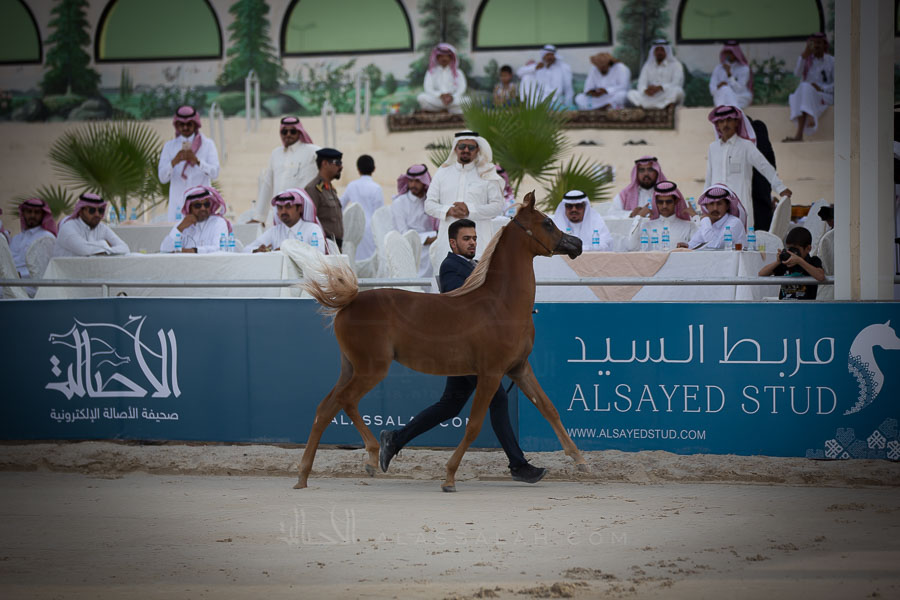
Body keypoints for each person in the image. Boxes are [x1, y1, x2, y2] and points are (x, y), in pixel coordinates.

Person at [378, 219, 548, 484]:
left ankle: (395, 439)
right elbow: (457, 302)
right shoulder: (451, 266)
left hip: (470, 350)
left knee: (450, 405)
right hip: (464, 348)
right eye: (466, 238)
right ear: (453, 243)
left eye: (474, 238)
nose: (472, 243)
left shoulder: (476, 265)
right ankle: (518, 464)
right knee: (498, 399)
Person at [706, 105, 791, 230]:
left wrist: (780, 188)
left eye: (729, 120)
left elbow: (765, 167)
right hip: (717, 207)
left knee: (742, 238)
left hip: (741, 206)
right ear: (717, 125)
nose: (725, 124)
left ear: (736, 122)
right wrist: (705, 204)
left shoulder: (746, 146)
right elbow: (709, 178)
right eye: (721, 121)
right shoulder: (713, 148)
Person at [424, 131, 504, 263]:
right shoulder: (442, 173)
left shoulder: (487, 173)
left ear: (477, 150)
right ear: (455, 148)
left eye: (471, 147)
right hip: (447, 244)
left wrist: (470, 210)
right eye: (462, 146)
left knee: (477, 275)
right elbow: (429, 205)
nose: (466, 150)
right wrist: (449, 210)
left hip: (479, 245)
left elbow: (497, 206)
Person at [251, 116, 320, 225]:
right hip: (280, 214)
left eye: (292, 131)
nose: (288, 134)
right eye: (284, 132)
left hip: (302, 214)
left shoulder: (312, 151)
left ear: (299, 132)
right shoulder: (276, 153)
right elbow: (268, 186)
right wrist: (259, 217)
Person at [158, 105, 220, 222]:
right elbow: (162, 178)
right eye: (182, 124)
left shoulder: (207, 144)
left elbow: (215, 173)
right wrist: (174, 162)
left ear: (195, 124)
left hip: (201, 208)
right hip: (178, 209)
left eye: (189, 124)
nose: (185, 127)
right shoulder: (170, 146)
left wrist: (197, 161)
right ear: (177, 125)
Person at [784, 32, 834, 142]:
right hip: (807, 94)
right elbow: (797, 74)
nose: (816, 46)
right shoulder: (806, 60)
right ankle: (809, 114)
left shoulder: (831, 61)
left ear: (824, 44)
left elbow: (837, 84)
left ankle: (800, 133)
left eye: (819, 43)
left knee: (804, 88)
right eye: (813, 43)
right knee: (801, 90)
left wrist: (821, 88)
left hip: (824, 95)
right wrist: (803, 57)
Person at [391, 164, 438, 277]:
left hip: (433, 246)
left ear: (424, 182)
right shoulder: (399, 203)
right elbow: (403, 233)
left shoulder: (431, 202)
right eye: (410, 181)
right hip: (408, 248)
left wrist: (436, 238)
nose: (413, 185)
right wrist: (428, 239)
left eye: (417, 181)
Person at [245, 189, 326, 254]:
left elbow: (319, 254)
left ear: (299, 208)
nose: (283, 211)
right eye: (280, 207)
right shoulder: (274, 231)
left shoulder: (312, 229)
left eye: (288, 207)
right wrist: (257, 250)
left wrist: (287, 252)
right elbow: (246, 249)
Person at [758, 226, 825, 299]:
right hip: (785, 304)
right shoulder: (786, 263)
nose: (792, 252)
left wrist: (799, 261)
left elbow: (820, 276)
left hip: (805, 305)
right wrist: (778, 262)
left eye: (795, 250)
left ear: (808, 249)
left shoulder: (813, 261)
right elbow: (761, 274)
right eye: (790, 249)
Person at [54, 193, 130, 257]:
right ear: (80, 211)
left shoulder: (102, 227)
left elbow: (125, 248)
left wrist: (103, 250)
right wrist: (105, 244)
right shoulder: (68, 227)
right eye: (92, 210)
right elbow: (84, 249)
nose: (97, 214)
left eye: (100, 210)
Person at [340, 155, 384, 263]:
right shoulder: (376, 188)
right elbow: (379, 214)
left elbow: (340, 205)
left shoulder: (352, 185)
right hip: (371, 230)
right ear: (374, 169)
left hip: (353, 228)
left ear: (358, 169)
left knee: (353, 260)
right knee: (369, 262)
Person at [160, 186, 230, 254]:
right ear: (189, 208)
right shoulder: (182, 224)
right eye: (197, 205)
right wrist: (180, 228)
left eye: (206, 204)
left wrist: (193, 251)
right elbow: (165, 249)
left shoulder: (218, 222)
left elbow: (220, 248)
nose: (203, 208)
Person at [684, 184, 747, 250]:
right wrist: (686, 246)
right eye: (711, 204)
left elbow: (714, 246)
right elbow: (694, 244)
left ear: (727, 206)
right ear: (706, 206)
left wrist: (705, 220)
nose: (715, 208)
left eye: (719, 204)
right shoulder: (709, 223)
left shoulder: (734, 222)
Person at [626, 39, 685, 109]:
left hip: (665, 94)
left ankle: (647, 106)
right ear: (653, 52)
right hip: (650, 95)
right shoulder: (648, 65)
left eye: (662, 50)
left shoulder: (676, 65)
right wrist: (645, 90)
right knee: (631, 93)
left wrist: (660, 88)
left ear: (667, 51)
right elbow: (641, 83)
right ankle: (662, 105)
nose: (659, 52)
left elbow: (676, 83)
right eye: (657, 50)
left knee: (678, 91)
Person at [305, 148, 344, 250]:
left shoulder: (329, 188)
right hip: (323, 247)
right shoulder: (313, 189)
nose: (341, 167)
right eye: (337, 163)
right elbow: (309, 221)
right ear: (325, 164)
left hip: (335, 247)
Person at [641, 181, 698, 248]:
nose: (664, 206)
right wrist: (638, 217)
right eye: (660, 202)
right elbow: (632, 246)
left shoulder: (689, 226)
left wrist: (696, 217)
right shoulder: (647, 226)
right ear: (655, 202)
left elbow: (700, 246)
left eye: (668, 202)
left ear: (675, 201)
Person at [10, 198, 57, 278]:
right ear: (23, 213)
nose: (32, 215)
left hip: (31, 283)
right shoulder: (16, 238)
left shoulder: (46, 237)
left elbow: (45, 268)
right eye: (29, 211)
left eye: (37, 212)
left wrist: (20, 275)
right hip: (9, 281)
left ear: (43, 215)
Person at [418, 43, 467, 114]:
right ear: (437, 58)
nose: (444, 58)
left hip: (453, 100)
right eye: (441, 56)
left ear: (451, 58)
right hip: (437, 99)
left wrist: (452, 97)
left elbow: (462, 88)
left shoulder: (458, 72)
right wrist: (440, 95)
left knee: (467, 101)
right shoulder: (431, 72)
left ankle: (439, 110)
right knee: (421, 98)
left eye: (447, 56)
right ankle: (451, 110)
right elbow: (428, 88)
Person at [709, 41, 753, 109]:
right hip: (722, 98)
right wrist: (719, 86)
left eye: (731, 52)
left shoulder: (744, 68)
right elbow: (712, 89)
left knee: (727, 92)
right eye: (726, 52)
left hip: (740, 97)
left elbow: (740, 89)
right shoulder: (718, 68)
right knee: (724, 90)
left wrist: (729, 74)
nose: (728, 55)